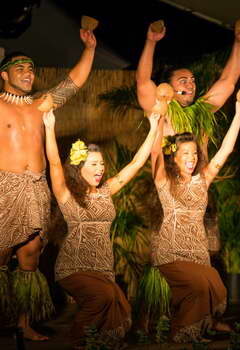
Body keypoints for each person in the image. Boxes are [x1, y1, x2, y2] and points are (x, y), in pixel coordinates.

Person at [0, 28, 96, 340]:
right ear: (4, 75)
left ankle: (24, 324)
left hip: (36, 188)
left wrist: (90, 49)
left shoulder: (41, 103)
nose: (28, 73)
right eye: (20, 68)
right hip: (5, 187)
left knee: (30, 255)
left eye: (30, 69)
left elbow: (74, 83)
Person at [43, 109, 160, 349]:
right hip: (73, 266)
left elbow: (137, 162)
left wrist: (154, 127)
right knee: (102, 298)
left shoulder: (107, 192)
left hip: (103, 269)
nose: (100, 169)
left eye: (102, 164)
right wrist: (49, 127)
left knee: (123, 310)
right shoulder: (67, 195)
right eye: (94, 164)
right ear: (78, 167)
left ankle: (99, 344)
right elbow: (55, 163)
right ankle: (76, 342)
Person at [151, 100, 240, 343]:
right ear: (174, 156)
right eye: (185, 153)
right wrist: (158, 121)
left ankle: (185, 330)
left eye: (195, 153)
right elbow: (154, 155)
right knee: (200, 286)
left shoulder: (203, 179)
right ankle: (183, 333)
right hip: (171, 251)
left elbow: (225, 150)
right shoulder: (164, 180)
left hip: (198, 251)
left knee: (215, 288)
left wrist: (238, 114)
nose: (192, 158)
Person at [136, 20, 240, 143]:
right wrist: (151, 41)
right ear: (168, 87)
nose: (191, 85)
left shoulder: (200, 111)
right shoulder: (157, 109)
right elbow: (143, 81)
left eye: (192, 80)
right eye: (183, 81)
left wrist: (239, 42)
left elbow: (227, 81)